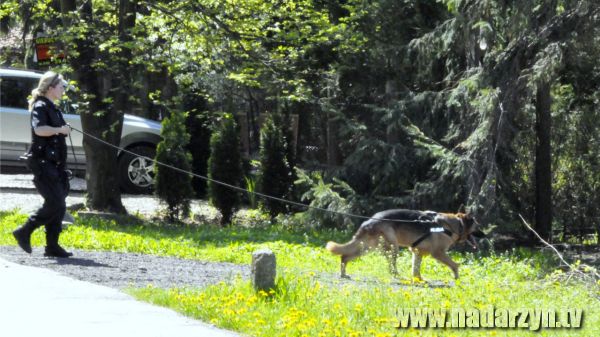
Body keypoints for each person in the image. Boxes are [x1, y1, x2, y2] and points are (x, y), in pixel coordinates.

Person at [12, 71, 73, 258]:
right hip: (43, 162)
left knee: (59, 204)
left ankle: (52, 246)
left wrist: (63, 130)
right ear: (51, 87)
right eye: (61, 86)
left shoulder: (52, 107)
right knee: (55, 202)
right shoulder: (40, 106)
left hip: (55, 164)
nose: (64, 89)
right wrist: (60, 130)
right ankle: (25, 230)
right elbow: (39, 130)